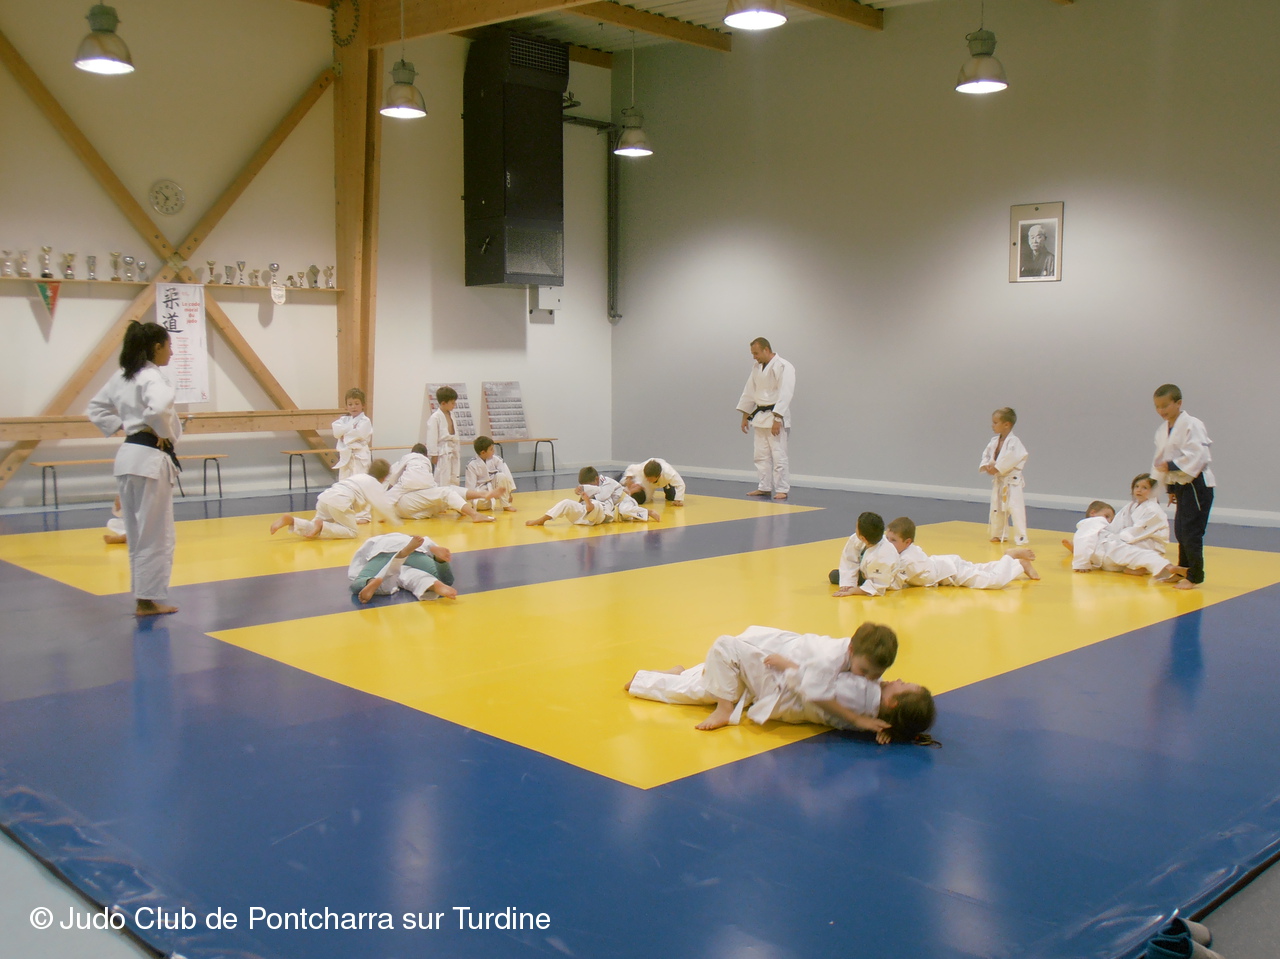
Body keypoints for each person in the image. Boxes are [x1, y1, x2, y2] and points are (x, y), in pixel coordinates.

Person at [625, 624, 934, 744]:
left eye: (904, 685)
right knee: (725, 672)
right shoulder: (867, 694)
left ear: (893, 702)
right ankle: (678, 674)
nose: (897, 679)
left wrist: (862, 721)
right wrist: (889, 729)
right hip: (786, 664)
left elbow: (817, 691)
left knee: (725, 651)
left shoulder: (863, 697)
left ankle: (653, 683)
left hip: (782, 685)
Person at [87, 321, 182, 616]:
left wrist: (127, 426)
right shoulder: (152, 376)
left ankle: (144, 598)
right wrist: (159, 430)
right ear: (157, 346)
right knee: (156, 533)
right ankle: (148, 600)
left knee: (136, 531)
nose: (171, 352)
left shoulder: (122, 376)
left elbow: (95, 408)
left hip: (128, 455)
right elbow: (160, 409)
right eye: (168, 346)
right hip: (150, 458)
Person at [1152, 383, 1215, 589]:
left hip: (1197, 483)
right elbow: (1163, 457)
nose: (1161, 410)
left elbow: (1198, 455)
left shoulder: (1192, 424)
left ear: (1178, 403)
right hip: (1181, 484)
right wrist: (1170, 489)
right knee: (1180, 530)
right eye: (1157, 407)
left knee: (1191, 531)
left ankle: (1195, 575)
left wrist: (1170, 466)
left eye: (1165, 406)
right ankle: (1183, 570)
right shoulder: (1164, 430)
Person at [885, 517, 1039, 589]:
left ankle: (1009, 556)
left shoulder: (908, 559)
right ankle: (1020, 564)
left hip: (953, 572)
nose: (889, 543)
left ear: (907, 542)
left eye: (893, 540)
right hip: (946, 564)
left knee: (993, 581)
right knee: (983, 569)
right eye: (887, 539)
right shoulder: (903, 551)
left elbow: (895, 584)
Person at [270, 459, 400, 539]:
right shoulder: (374, 483)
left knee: (312, 528)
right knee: (352, 532)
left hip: (326, 498)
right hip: (339, 502)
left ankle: (293, 521)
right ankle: (322, 526)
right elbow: (383, 505)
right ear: (384, 477)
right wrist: (395, 522)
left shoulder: (359, 476)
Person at [735, 337, 796, 501]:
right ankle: (764, 487)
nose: (754, 357)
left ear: (766, 350)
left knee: (778, 455)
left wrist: (777, 419)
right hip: (760, 416)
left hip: (776, 416)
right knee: (760, 455)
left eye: (756, 353)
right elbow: (749, 391)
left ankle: (782, 488)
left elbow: (786, 393)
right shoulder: (756, 367)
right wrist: (745, 415)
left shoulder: (783, 366)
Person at [1067, 500, 1185, 582]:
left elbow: (1084, 542)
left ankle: (1134, 569)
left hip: (1106, 563)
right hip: (1108, 548)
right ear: (1093, 513)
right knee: (1138, 554)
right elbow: (1084, 538)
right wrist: (1081, 563)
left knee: (1132, 557)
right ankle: (1168, 567)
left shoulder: (1099, 527)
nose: (1109, 521)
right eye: (1107, 516)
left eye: (1111, 519)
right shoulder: (1093, 521)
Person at [388, 443, 496, 522]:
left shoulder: (404, 462)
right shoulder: (420, 461)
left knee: (446, 493)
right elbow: (428, 484)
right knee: (446, 492)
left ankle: (480, 496)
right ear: (425, 455)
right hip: (405, 503)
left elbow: (392, 483)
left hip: (407, 510)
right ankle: (475, 513)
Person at [525, 466, 656, 526]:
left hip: (625, 502)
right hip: (606, 508)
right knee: (567, 503)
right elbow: (584, 499)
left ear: (597, 479)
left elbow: (602, 496)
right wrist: (581, 494)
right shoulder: (594, 487)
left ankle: (648, 512)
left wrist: (586, 490)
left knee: (625, 510)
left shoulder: (607, 482)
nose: (587, 488)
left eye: (589, 485)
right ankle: (542, 519)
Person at [348, 533, 457, 603]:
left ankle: (369, 581)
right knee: (443, 580)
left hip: (383, 550)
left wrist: (365, 577)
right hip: (415, 551)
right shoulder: (409, 538)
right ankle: (439, 564)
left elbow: (359, 561)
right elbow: (428, 544)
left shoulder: (377, 539)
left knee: (358, 583)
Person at [979, 407, 1030, 546]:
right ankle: (998, 534)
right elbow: (986, 455)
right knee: (996, 508)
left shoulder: (1014, 442)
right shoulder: (994, 441)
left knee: (1016, 509)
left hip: (1012, 482)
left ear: (1006, 424)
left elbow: (1012, 458)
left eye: (995, 422)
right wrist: (987, 466)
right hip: (999, 480)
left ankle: (1021, 537)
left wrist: (997, 468)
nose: (992, 425)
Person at [830, 511, 899, 597]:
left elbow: (878, 585)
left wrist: (854, 591)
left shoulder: (883, 555)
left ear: (863, 538)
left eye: (856, 528)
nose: (855, 530)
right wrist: (848, 584)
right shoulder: (857, 539)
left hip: (886, 579)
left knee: (874, 584)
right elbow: (849, 560)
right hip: (866, 573)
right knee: (834, 575)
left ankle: (864, 585)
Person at [465, 436, 517, 511]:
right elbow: (470, 485)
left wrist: (509, 493)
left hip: (494, 487)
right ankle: (484, 503)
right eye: (491, 449)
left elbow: (506, 474)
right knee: (481, 506)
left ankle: (506, 505)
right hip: (481, 491)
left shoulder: (496, 459)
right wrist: (472, 501)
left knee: (501, 476)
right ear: (483, 452)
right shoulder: (471, 465)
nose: (493, 451)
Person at [331, 387, 372, 480]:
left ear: (363, 405)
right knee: (344, 482)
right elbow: (336, 432)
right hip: (346, 456)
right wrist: (350, 428)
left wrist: (344, 434)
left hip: (360, 457)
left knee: (359, 481)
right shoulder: (343, 419)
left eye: (357, 404)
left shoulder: (365, 421)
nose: (353, 407)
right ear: (346, 406)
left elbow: (358, 434)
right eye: (350, 404)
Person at [425, 386, 461, 487]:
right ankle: (442, 496)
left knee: (454, 476)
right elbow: (432, 437)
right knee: (442, 478)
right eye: (452, 403)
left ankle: (454, 495)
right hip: (443, 451)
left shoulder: (452, 415)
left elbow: (455, 433)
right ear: (444, 403)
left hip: (453, 448)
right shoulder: (435, 417)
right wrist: (433, 454)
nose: (454, 405)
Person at [620, 457, 686, 510]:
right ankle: (619, 477)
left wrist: (678, 500)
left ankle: (668, 489)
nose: (648, 480)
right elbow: (631, 467)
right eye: (646, 477)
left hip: (665, 482)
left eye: (650, 478)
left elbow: (681, 484)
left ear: (658, 476)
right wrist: (629, 478)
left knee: (671, 497)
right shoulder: (642, 468)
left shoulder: (669, 473)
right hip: (649, 482)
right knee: (645, 499)